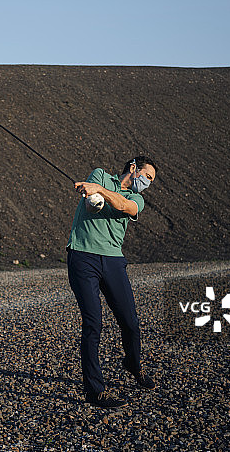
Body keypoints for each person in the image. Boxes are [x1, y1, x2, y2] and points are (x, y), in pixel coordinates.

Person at [67, 156, 157, 408]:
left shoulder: (136, 198)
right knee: (93, 323)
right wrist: (94, 191)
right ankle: (95, 392)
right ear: (133, 168)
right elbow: (91, 206)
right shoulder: (100, 175)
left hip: (114, 261)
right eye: (147, 177)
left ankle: (132, 363)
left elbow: (125, 208)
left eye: (150, 181)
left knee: (129, 321)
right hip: (83, 256)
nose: (147, 184)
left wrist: (100, 192)